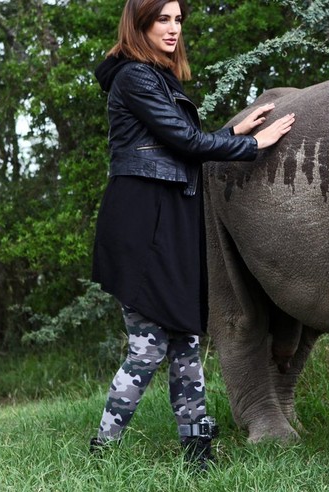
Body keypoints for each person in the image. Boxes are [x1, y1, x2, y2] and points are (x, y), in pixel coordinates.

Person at [89, 0, 295, 470]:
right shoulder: (134, 77)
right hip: (143, 218)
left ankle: (199, 456)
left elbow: (178, 145)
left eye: (178, 19)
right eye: (162, 18)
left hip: (172, 214)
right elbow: (185, 143)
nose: (173, 28)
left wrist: (229, 130)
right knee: (149, 344)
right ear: (139, 24)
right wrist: (250, 144)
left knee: (184, 336)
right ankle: (102, 452)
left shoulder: (158, 77)